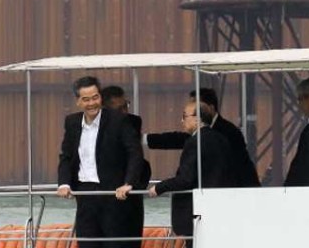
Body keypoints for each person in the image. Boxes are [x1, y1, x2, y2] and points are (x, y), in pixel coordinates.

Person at [57, 76, 145, 248]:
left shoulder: (118, 120)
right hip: (85, 195)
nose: (92, 103)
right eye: (86, 99)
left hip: (113, 194)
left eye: (95, 97)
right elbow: (66, 156)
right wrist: (64, 184)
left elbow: (135, 152)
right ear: (78, 102)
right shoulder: (72, 122)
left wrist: (129, 183)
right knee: (87, 243)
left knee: (115, 243)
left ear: (101, 98)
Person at [148, 100, 233, 247]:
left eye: (184, 116)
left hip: (195, 214)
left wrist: (160, 187)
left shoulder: (195, 142)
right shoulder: (221, 140)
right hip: (219, 208)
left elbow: (186, 179)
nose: (182, 120)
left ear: (197, 118)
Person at [145, 87, 259, 187]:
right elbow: (178, 139)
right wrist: (145, 139)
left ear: (210, 107)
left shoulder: (227, 131)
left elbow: (234, 165)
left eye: (196, 104)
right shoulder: (202, 132)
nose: (191, 107)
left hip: (240, 187)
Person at [101, 85, 150, 248]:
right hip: (104, 193)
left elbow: (134, 154)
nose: (124, 112)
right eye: (119, 108)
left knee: (130, 237)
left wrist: (130, 182)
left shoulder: (132, 122)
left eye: (126, 106)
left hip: (128, 191)